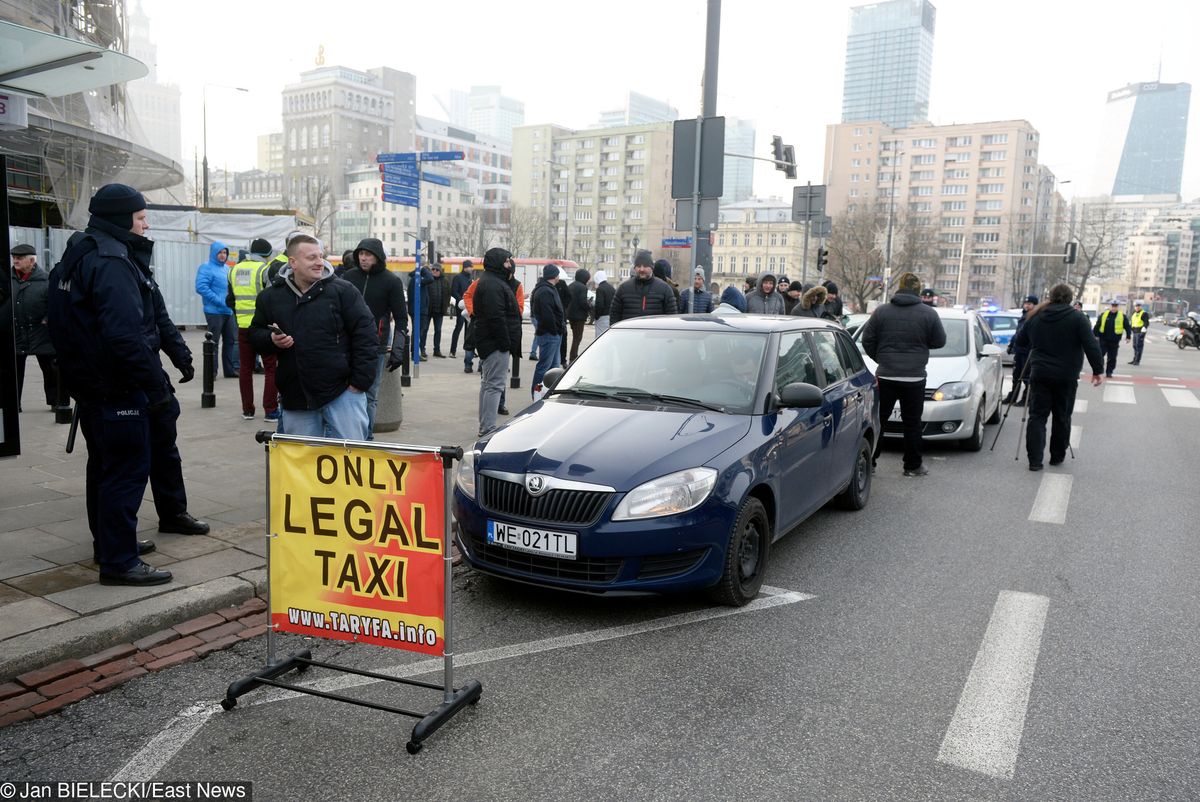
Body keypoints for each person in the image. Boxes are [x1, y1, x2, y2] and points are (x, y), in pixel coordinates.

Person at [46, 184, 180, 586]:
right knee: (125, 470)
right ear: (123, 219)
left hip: (89, 383)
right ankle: (119, 562)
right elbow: (125, 336)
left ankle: (110, 543)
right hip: (116, 386)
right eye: (141, 219)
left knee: (102, 467)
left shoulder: (79, 251)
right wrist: (155, 386)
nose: (146, 225)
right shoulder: (111, 260)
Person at [248, 234, 377, 440]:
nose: (319, 262)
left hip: (343, 394)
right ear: (293, 263)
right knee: (302, 464)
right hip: (296, 396)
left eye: (320, 256)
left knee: (351, 460)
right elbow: (254, 334)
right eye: (311, 258)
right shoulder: (271, 297)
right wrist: (271, 340)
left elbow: (366, 335)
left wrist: (359, 384)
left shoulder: (343, 291)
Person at [860, 272, 946, 477]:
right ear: (918, 290)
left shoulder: (882, 312)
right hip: (914, 377)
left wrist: (881, 358)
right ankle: (913, 466)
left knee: (879, 420)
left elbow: (867, 340)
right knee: (912, 423)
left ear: (898, 288)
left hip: (886, 375)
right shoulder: (929, 314)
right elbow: (939, 341)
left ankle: (870, 462)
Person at [1013, 283, 1104, 471]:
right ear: (1070, 298)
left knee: (1037, 416)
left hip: (1040, 373)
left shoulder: (1036, 316)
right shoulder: (1078, 318)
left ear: (1051, 296)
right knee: (1062, 416)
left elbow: (1021, 341)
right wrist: (1097, 370)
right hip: (1067, 375)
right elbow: (1091, 345)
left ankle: (1035, 461)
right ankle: (1057, 456)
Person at [342, 237, 409, 437]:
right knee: (344, 392)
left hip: (376, 345)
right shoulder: (348, 277)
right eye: (361, 254)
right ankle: (347, 434)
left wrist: (398, 349)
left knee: (371, 394)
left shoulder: (392, 281)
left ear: (378, 257)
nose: (363, 258)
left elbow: (401, 318)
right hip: (346, 343)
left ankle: (366, 437)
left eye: (368, 255)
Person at [471, 248, 522, 436]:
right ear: (498, 262)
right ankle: (488, 428)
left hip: (489, 342)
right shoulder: (493, 284)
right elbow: (496, 317)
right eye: (507, 261)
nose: (510, 264)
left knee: (488, 384)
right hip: (494, 343)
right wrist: (505, 343)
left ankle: (485, 425)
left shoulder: (491, 281)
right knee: (494, 386)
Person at [227, 238, 279, 421]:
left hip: (242, 326)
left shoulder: (233, 270)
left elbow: (230, 299)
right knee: (271, 367)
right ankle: (271, 410)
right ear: (266, 254)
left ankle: (247, 410)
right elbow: (273, 299)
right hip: (262, 328)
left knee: (245, 369)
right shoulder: (264, 270)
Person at [10, 243, 57, 410]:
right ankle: (13, 405)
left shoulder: (45, 280)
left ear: (31, 260)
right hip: (16, 332)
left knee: (51, 369)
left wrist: (47, 318)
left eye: (20, 258)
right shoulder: (8, 280)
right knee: (13, 371)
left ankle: (56, 402)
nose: (15, 260)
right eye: (14, 257)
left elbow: (54, 305)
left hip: (41, 333)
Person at [195, 241, 238, 378]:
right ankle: (211, 372)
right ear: (214, 253)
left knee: (230, 340)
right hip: (214, 311)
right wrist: (220, 301)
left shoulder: (227, 269)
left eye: (224, 252)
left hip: (228, 311)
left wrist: (231, 303)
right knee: (213, 342)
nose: (222, 255)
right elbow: (201, 287)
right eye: (219, 252)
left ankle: (229, 370)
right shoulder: (206, 268)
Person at [609, 250, 678, 324]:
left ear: (652, 267)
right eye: (638, 266)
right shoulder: (623, 288)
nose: (641, 269)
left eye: (645, 266)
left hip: (655, 334)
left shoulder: (665, 289)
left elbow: (672, 318)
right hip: (629, 334)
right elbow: (614, 316)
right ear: (635, 268)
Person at [530, 264, 565, 397]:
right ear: (554, 276)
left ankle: (549, 393)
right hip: (549, 334)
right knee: (544, 367)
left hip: (553, 333)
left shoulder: (549, 289)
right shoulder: (545, 291)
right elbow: (547, 314)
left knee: (554, 367)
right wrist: (555, 330)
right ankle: (536, 394)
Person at [1005, 295, 1038, 406]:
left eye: (1029, 304)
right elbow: (1018, 334)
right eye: (1026, 303)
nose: (1026, 305)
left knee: (1026, 377)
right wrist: (1011, 345)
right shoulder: (1023, 316)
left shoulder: (1034, 317)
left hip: (1027, 351)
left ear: (1034, 305)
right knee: (1016, 376)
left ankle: (1026, 399)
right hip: (1019, 350)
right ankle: (1012, 397)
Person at [1092, 299, 1129, 378]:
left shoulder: (1122, 316)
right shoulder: (1104, 315)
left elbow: (1127, 326)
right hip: (1103, 339)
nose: (1114, 308)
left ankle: (1109, 372)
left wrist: (1128, 336)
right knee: (1100, 355)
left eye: (1115, 306)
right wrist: (1095, 335)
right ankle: (1099, 370)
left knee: (1112, 358)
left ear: (1118, 307)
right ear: (1110, 306)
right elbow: (1097, 325)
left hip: (1114, 341)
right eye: (1112, 306)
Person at [408, 263, 434, 359]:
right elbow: (431, 279)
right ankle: (414, 353)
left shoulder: (416, 279)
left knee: (417, 331)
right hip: (419, 309)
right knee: (418, 331)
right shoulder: (418, 279)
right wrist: (424, 269)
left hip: (418, 308)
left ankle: (414, 352)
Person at [449, 260, 474, 358]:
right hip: (461, 306)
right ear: (465, 267)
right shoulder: (458, 278)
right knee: (458, 327)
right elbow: (453, 291)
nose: (472, 269)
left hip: (469, 307)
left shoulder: (470, 278)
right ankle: (452, 351)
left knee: (469, 330)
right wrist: (461, 301)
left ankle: (468, 351)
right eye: (470, 267)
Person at [566, 267, 591, 362]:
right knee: (577, 338)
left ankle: (573, 356)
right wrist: (589, 305)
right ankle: (573, 358)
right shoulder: (583, 287)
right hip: (579, 316)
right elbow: (583, 302)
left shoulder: (571, 285)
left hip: (571, 315)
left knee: (575, 337)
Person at [427, 263, 448, 357]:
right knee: (424, 330)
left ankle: (437, 350)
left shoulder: (445, 281)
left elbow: (448, 295)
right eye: (433, 269)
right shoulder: (428, 280)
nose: (435, 271)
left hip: (439, 310)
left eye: (437, 269)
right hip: (428, 310)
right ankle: (422, 349)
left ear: (440, 271)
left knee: (438, 330)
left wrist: (445, 306)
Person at [593, 269, 615, 336]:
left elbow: (599, 305)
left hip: (602, 317)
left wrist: (596, 316)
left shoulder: (600, 289)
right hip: (611, 316)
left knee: (600, 337)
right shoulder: (612, 288)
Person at [1128, 301, 1150, 365]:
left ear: (1141, 306)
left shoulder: (1144, 313)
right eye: (1136, 306)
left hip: (1140, 332)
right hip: (1135, 332)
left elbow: (1146, 323)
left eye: (1138, 306)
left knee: (1139, 346)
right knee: (1134, 346)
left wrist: (1143, 332)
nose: (1137, 307)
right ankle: (1134, 359)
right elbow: (1132, 322)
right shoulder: (1134, 313)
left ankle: (1137, 361)